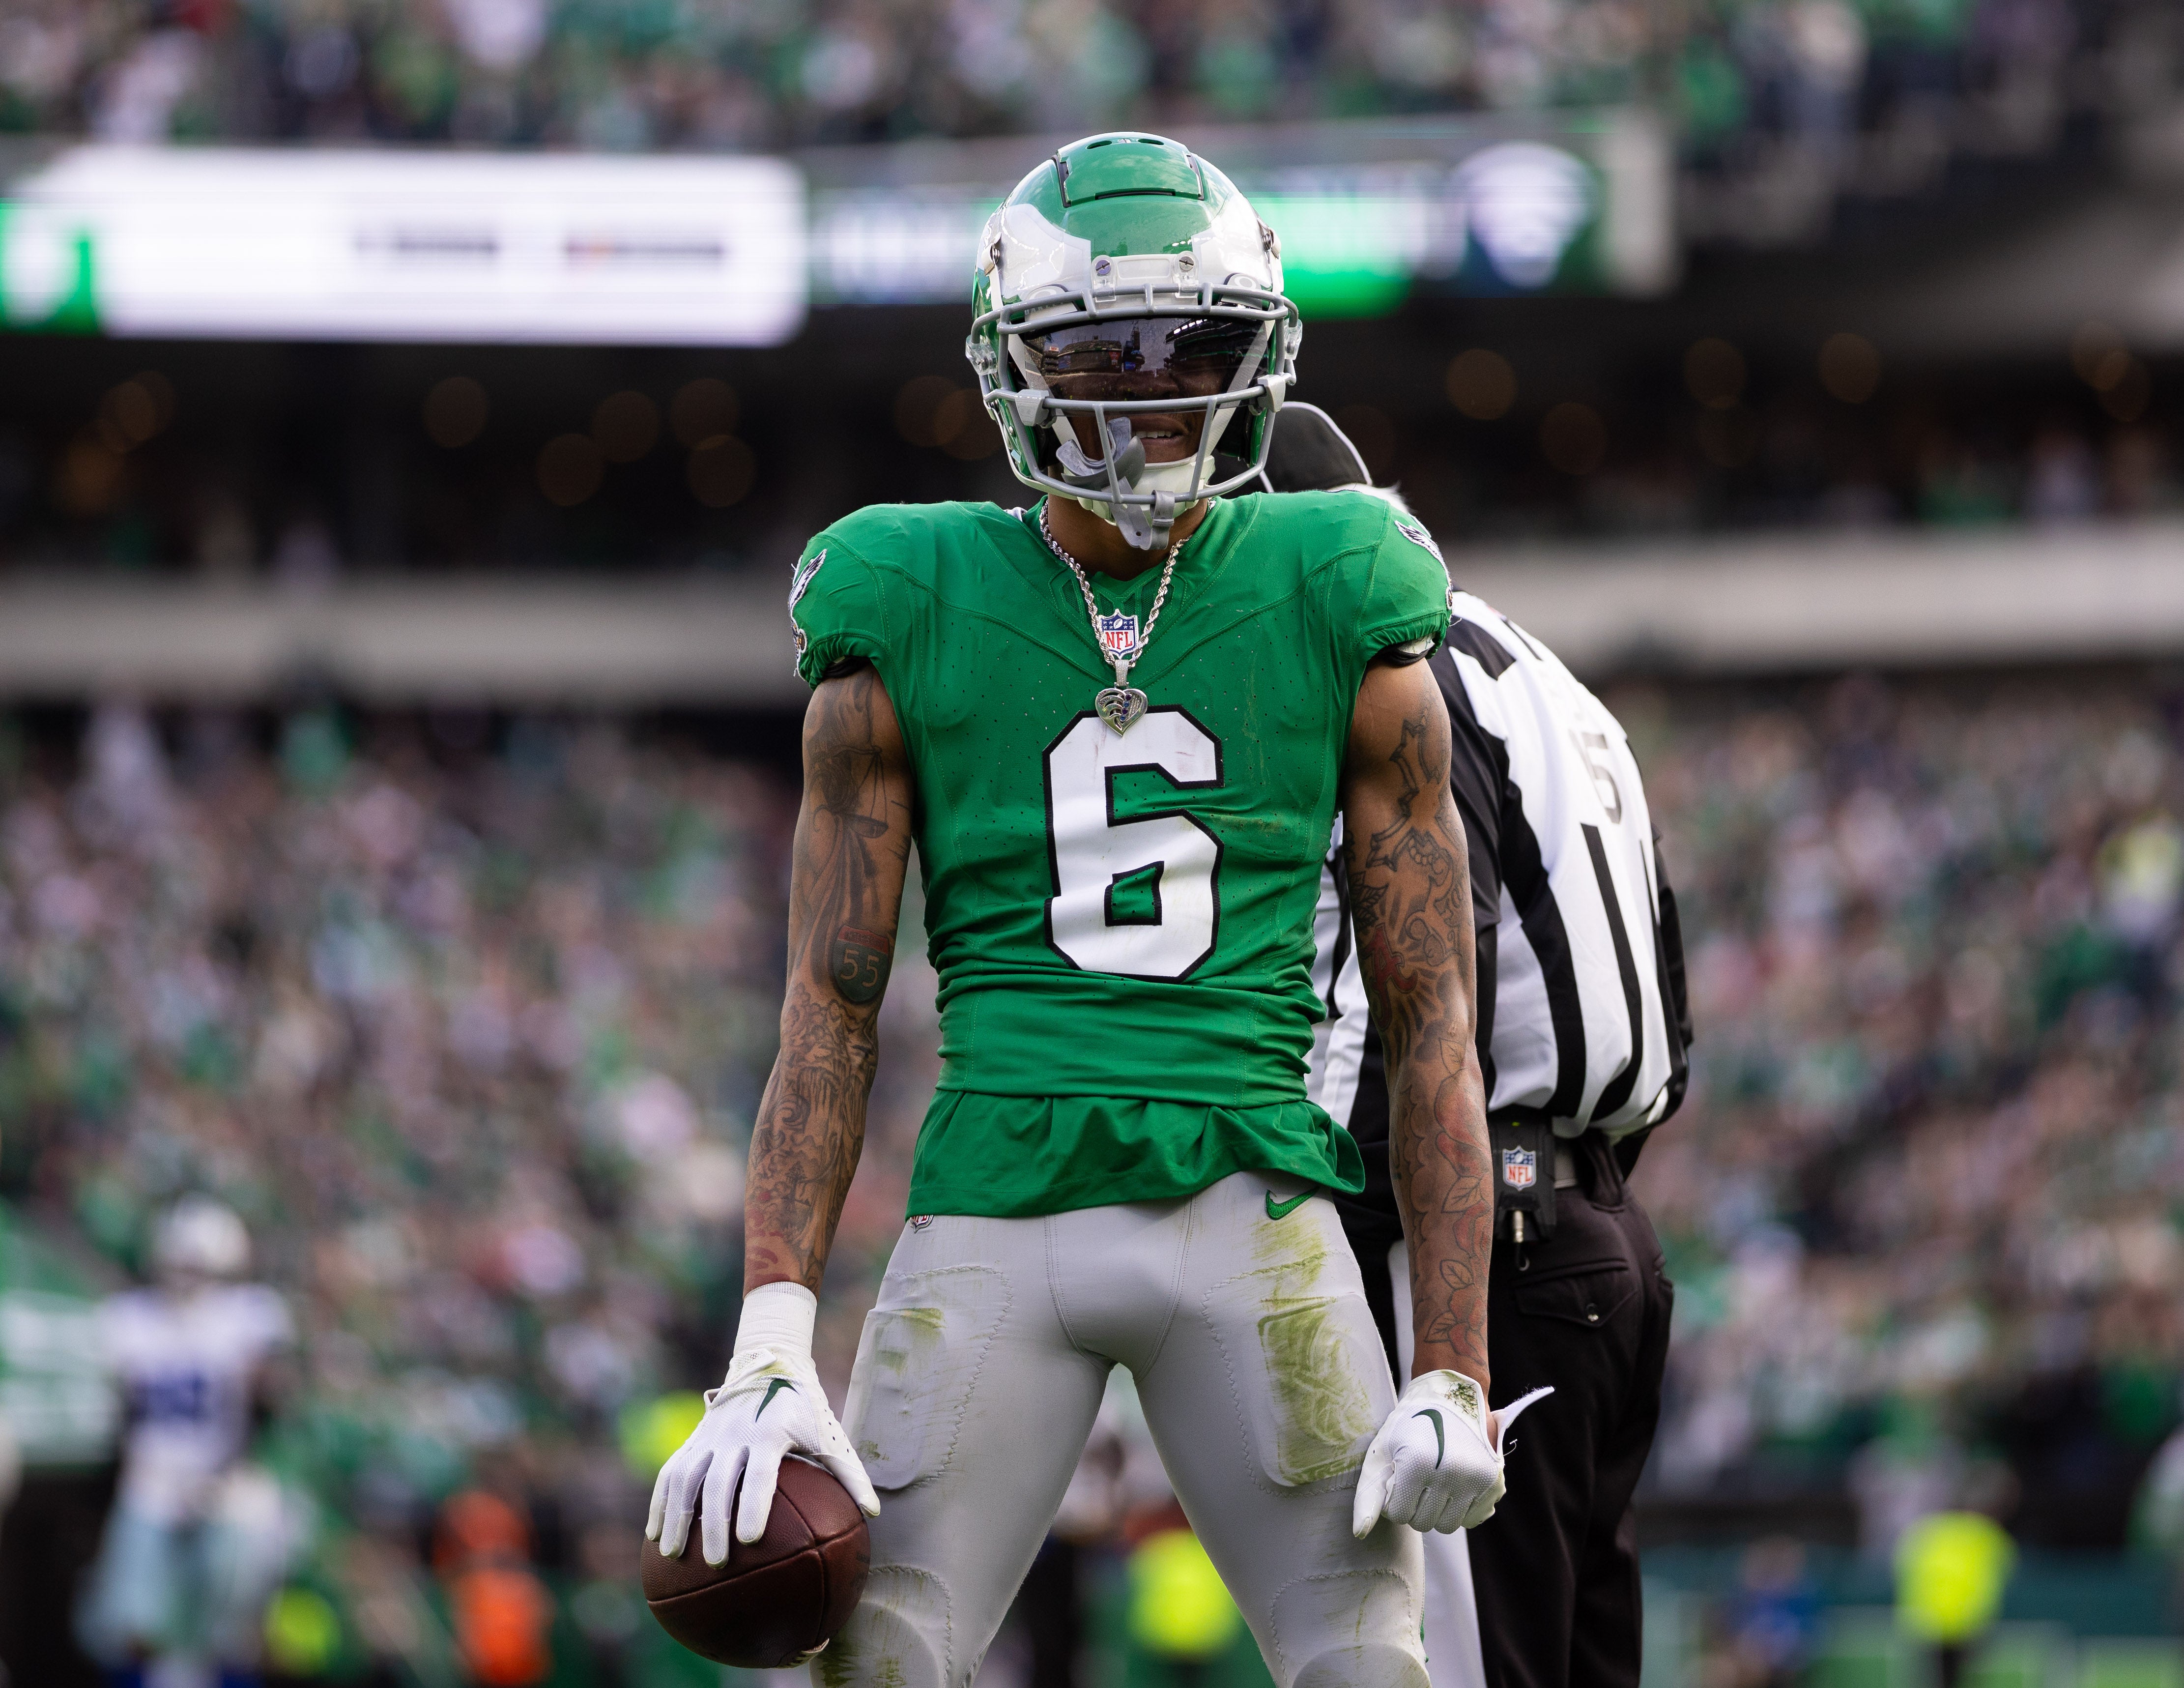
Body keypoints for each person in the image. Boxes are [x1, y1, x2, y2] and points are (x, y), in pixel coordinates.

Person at [648, 131, 1515, 1688]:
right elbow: (828, 1000)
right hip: (991, 1208)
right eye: (1099, 352)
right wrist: (770, 1326)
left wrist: (1454, 1360)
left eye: (1190, 348)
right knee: (878, 1662)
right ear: (1011, 364)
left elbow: (1430, 1018)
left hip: (1248, 1209)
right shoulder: (903, 591)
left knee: (1367, 1663)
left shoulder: (1338, 571)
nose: (1148, 393)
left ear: (1256, 354)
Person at [1271, 409, 1692, 1688]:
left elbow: (1423, 997)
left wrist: (1310, 1234)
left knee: (1464, 1667)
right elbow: (1667, 970)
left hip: (1484, 1242)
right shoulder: (1533, 663)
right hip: (1600, 1230)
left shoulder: (1393, 673)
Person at [77, 1194, 299, 1688]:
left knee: (231, 1626)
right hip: (151, 1481)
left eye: (198, 1264)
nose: (184, 1274)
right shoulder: (129, 1317)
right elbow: (113, 1409)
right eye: (177, 1261)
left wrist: (234, 1456)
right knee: (130, 1626)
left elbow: (272, 1396)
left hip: (223, 1481)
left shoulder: (246, 1315)